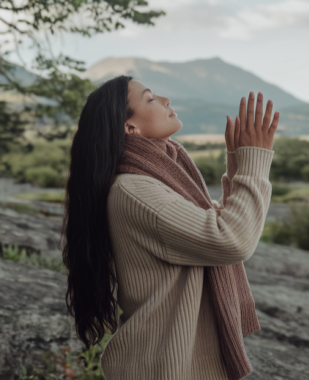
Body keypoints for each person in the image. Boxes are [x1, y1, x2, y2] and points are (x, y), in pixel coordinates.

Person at [60, 75, 279, 380]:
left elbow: (213, 225)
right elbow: (231, 239)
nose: (166, 100)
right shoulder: (134, 191)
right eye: (150, 98)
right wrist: (256, 157)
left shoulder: (152, 178)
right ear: (130, 127)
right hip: (161, 367)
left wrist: (238, 163)